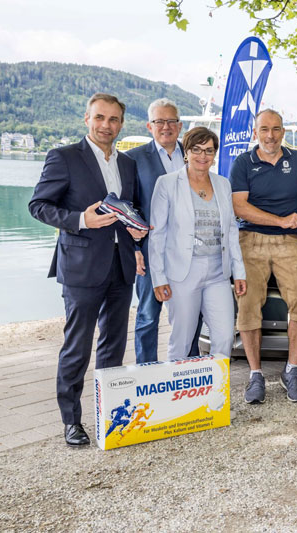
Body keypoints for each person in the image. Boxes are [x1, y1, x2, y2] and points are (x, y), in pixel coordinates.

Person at [29, 93, 148, 447]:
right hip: (81, 267)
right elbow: (39, 206)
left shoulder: (127, 164)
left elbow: (132, 207)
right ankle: (72, 421)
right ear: (87, 119)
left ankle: (110, 415)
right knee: (77, 347)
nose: (106, 125)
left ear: (121, 124)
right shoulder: (64, 157)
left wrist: (137, 231)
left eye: (113, 120)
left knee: (113, 346)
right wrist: (81, 219)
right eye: (100, 118)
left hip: (121, 266)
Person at [231, 109, 297, 404]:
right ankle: (255, 375)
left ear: (283, 133)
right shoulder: (243, 163)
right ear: (255, 133)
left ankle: (292, 370)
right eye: (264, 129)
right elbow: (239, 207)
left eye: (276, 129)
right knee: (249, 303)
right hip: (250, 239)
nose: (270, 135)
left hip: (290, 241)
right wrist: (279, 220)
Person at [148, 127, 246, 360]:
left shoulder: (223, 184)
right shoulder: (167, 183)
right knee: (182, 339)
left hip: (217, 272)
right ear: (186, 152)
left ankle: (214, 394)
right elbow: (157, 234)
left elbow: (231, 230)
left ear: (215, 155)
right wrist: (158, 277)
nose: (203, 156)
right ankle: (178, 393)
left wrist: (239, 271)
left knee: (223, 337)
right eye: (197, 150)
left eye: (209, 151)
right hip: (182, 272)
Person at [126, 98, 202, 363]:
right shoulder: (132, 159)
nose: (166, 127)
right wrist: (134, 249)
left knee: (192, 313)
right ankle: (146, 373)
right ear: (150, 125)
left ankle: (190, 369)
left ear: (180, 125)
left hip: (191, 252)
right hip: (150, 252)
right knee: (148, 314)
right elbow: (128, 208)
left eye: (171, 121)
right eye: (160, 121)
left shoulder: (195, 156)